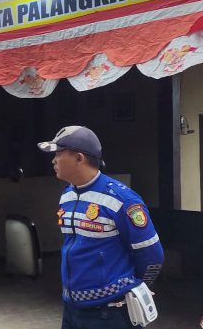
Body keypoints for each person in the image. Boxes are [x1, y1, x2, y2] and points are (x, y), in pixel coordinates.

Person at [38, 126, 164, 329]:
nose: (53, 160)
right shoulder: (67, 195)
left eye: (59, 154)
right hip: (72, 308)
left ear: (79, 158)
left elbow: (152, 254)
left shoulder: (122, 200)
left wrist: (136, 287)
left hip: (109, 313)